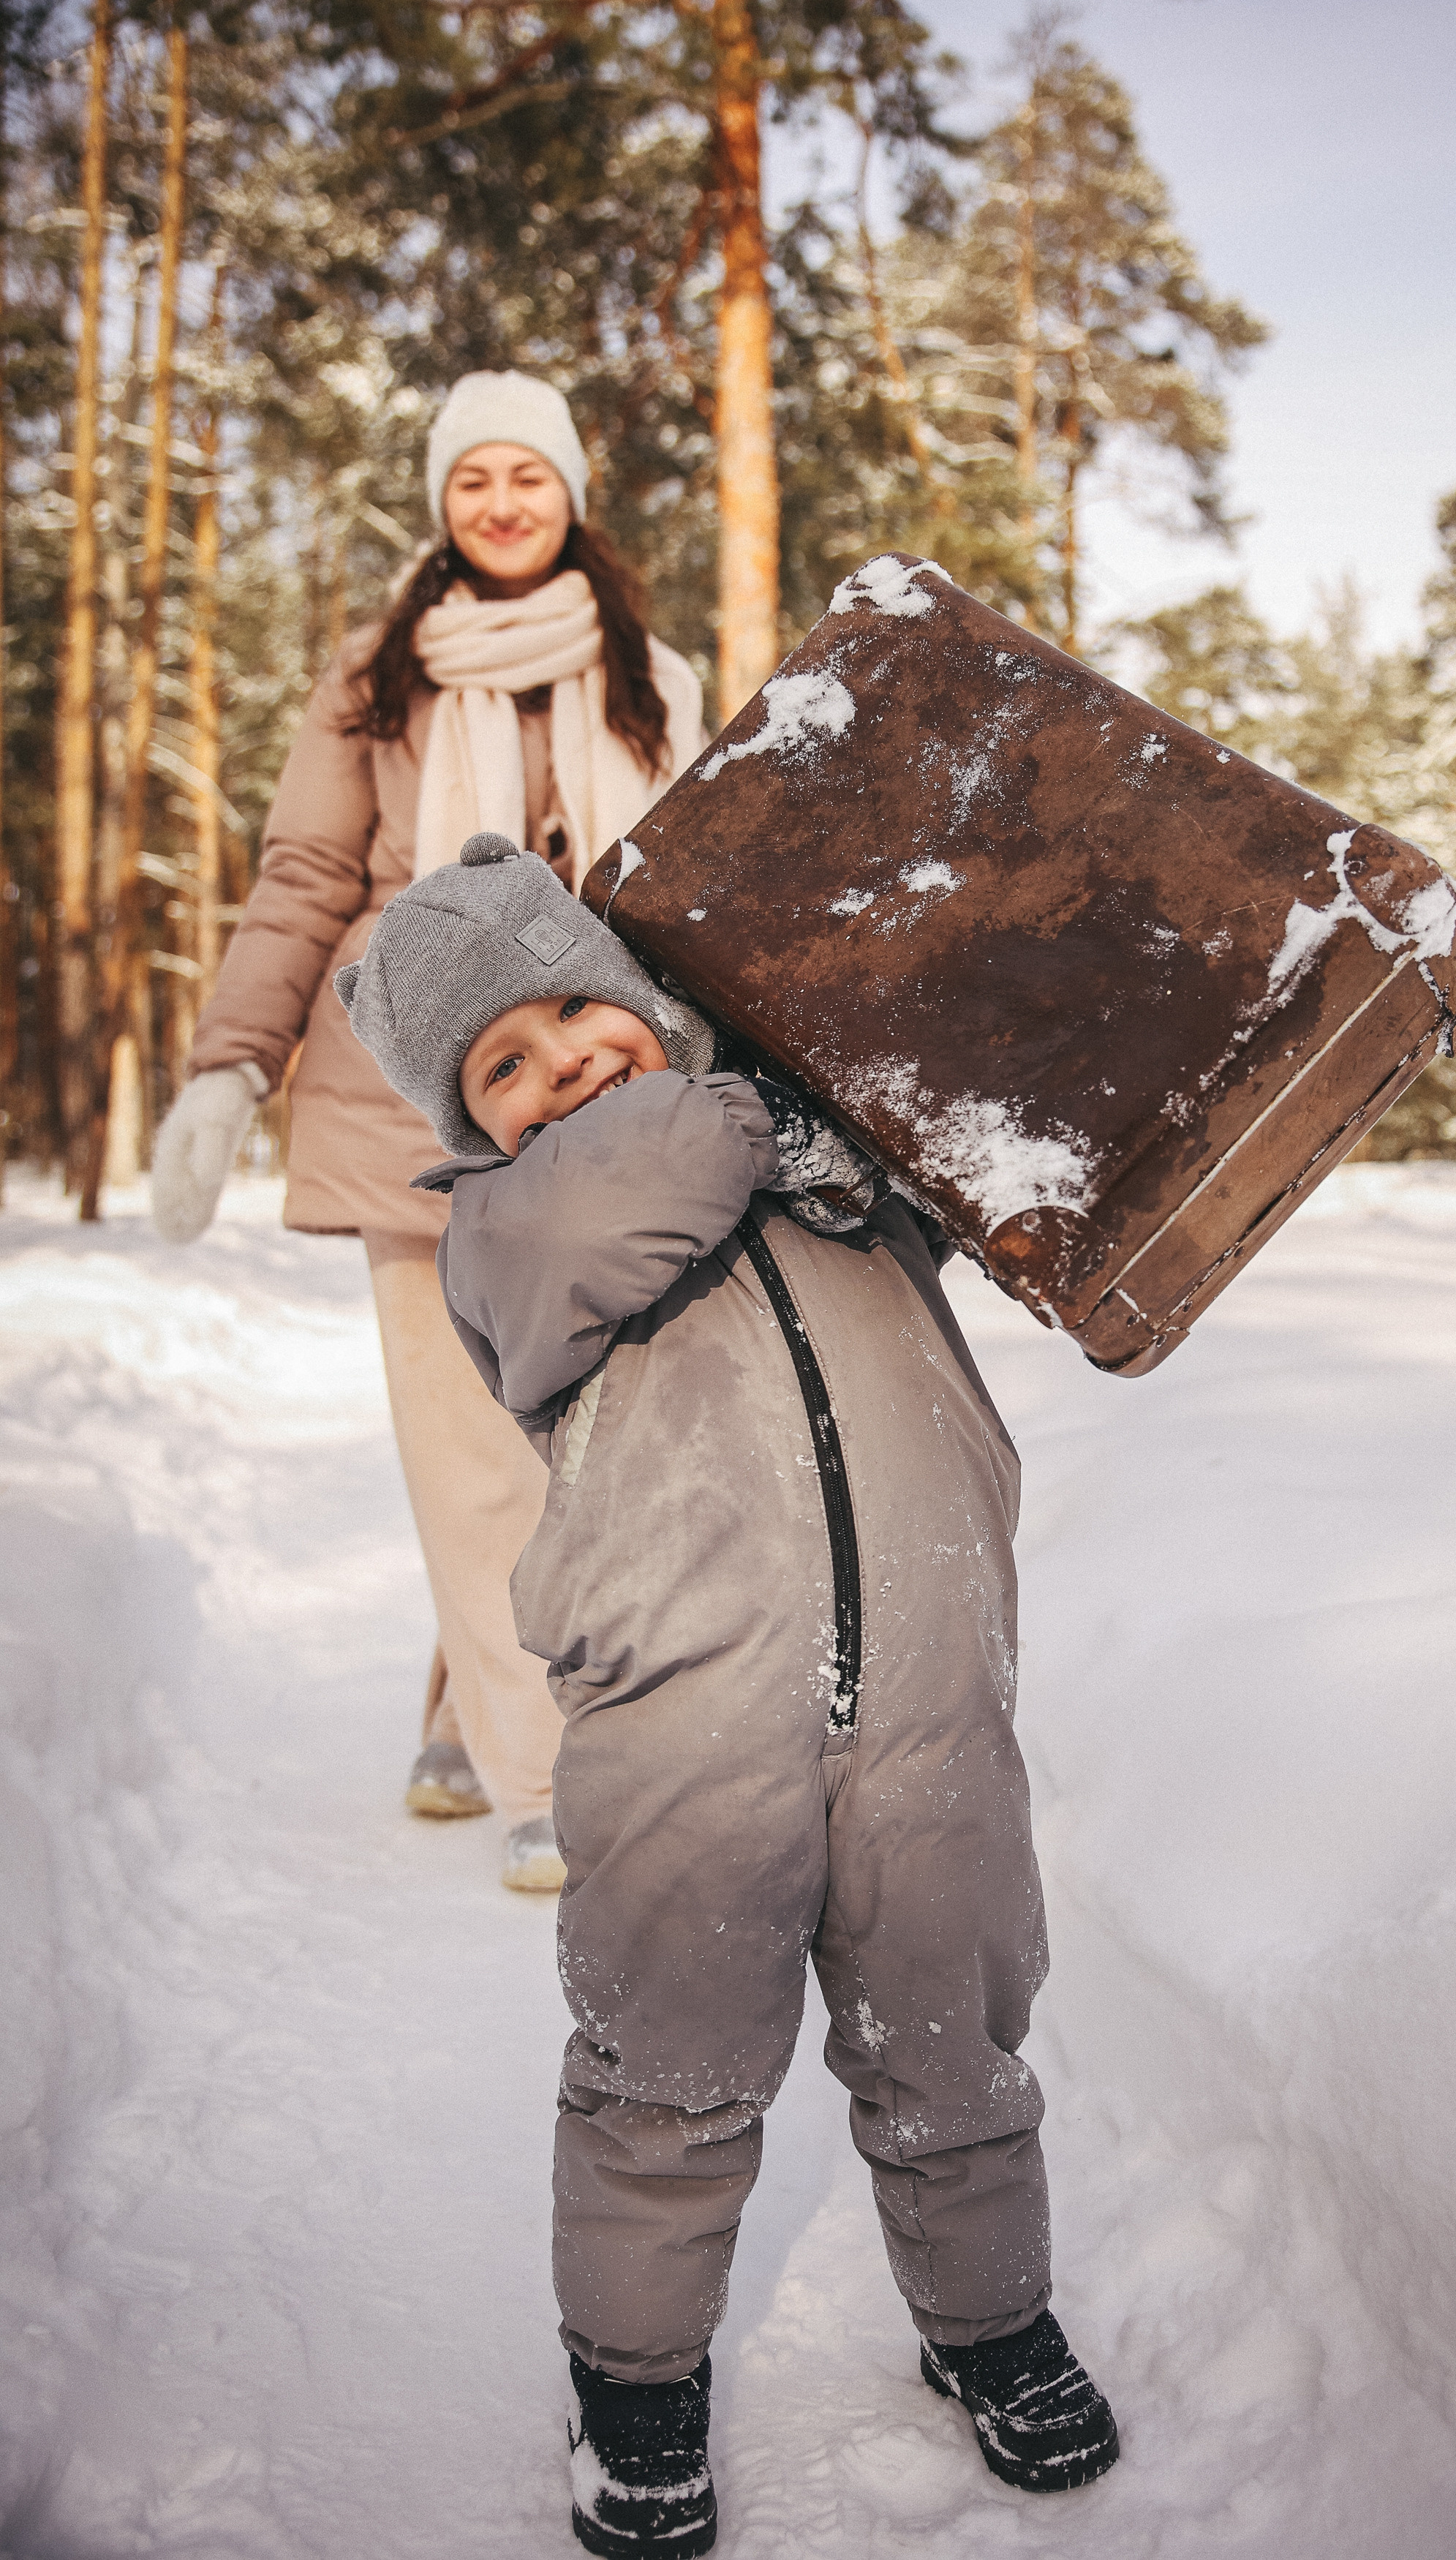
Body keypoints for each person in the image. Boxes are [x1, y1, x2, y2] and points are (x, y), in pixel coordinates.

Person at [335, 833, 1121, 2559]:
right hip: (684, 1721)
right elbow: (617, 1193)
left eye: (576, 1014)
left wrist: (860, 1117)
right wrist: (769, 1106)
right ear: (469, 1123)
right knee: (668, 2065)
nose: (562, 1070)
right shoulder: (507, 1227)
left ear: (639, 994)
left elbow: (1006, 1137)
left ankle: (989, 2321)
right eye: (504, 1067)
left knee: (955, 2030)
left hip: (929, 1683)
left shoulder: (828, 1156)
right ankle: (633, 2381)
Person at [150, 372, 706, 1891]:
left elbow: (696, 891)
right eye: (474, 480)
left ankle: (466, 1703)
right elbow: (303, 875)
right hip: (410, 1101)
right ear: (442, 502)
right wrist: (230, 1064)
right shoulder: (377, 677)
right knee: (473, 1453)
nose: (503, 504)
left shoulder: (652, 675)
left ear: (570, 494)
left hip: (604, 1092)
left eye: (529, 476)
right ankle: (546, 1773)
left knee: (586, 1442)